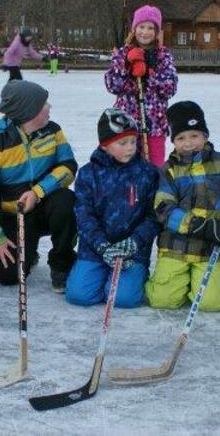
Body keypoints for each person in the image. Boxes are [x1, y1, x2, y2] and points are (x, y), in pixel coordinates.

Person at [0, 80, 78, 291]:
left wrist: (38, 192)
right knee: (7, 275)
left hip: (47, 205)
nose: (49, 107)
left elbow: (69, 167)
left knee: (66, 200)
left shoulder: (53, 131)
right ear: (29, 111)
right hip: (15, 215)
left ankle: (62, 263)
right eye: (44, 104)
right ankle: (29, 248)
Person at [144, 101, 220, 312]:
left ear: (205, 135)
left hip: (211, 247)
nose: (189, 143)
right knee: (162, 301)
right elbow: (163, 207)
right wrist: (198, 226)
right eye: (181, 138)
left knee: (211, 303)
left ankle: (201, 281)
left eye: (194, 135)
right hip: (175, 245)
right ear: (173, 141)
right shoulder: (169, 170)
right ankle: (172, 280)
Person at [66, 108, 160, 308]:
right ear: (105, 145)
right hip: (95, 248)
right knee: (78, 296)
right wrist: (102, 246)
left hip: (132, 251)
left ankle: (134, 276)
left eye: (133, 142)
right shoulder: (87, 174)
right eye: (122, 142)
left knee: (122, 299)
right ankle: (96, 272)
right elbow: (84, 216)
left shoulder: (148, 173)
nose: (130, 148)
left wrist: (135, 242)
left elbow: (154, 216)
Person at [104, 5, 179, 167]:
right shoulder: (123, 53)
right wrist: (127, 68)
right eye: (142, 26)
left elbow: (170, 87)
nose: (145, 32)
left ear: (157, 31)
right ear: (134, 28)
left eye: (151, 28)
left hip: (155, 125)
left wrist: (149, 75)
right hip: (126, 125)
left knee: (154, 170)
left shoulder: (163, 56)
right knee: (126, 170)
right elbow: (113, 85)